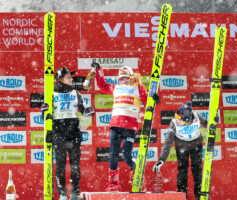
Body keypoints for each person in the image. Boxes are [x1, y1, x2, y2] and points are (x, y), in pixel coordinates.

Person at [93, 62, 160, 192]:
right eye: (121, 69)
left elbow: (148, 103)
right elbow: (101, 85)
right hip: (115, 125)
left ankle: (139, 179)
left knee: (127, 155)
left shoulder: (138, 86)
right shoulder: (116, 87)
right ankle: (113, 185)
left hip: (130, 126)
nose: (122, 70)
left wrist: (155, 100)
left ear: (130, 73)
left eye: (126, 69)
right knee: (113, 156)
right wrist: (98, 70)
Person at [41, 66, 95, 200]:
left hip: (73, 132)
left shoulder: (76, 93)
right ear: (59, 79)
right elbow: (45, 116)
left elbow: (84, 110)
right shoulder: (51, 93)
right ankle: (63, 194)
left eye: (71, 77)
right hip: (58, 132)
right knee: (60, 165)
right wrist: (43, 111)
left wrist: (89, 112)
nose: (71, 79)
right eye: (67, 77)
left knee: (75, 165)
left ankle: (75, 194)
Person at [153, 101, 207, 200]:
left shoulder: (196, 116)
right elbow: (168, 141)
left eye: (180, 120)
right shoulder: (174, 123)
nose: (177, 121)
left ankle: (199, 196)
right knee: (182, 172)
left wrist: (213, 121)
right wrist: (162, 159)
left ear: (187, 120)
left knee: (197, 170)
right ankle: (182, 195)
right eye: (176, 118)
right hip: (182, 147)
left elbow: (207, 123)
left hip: (196, 145)